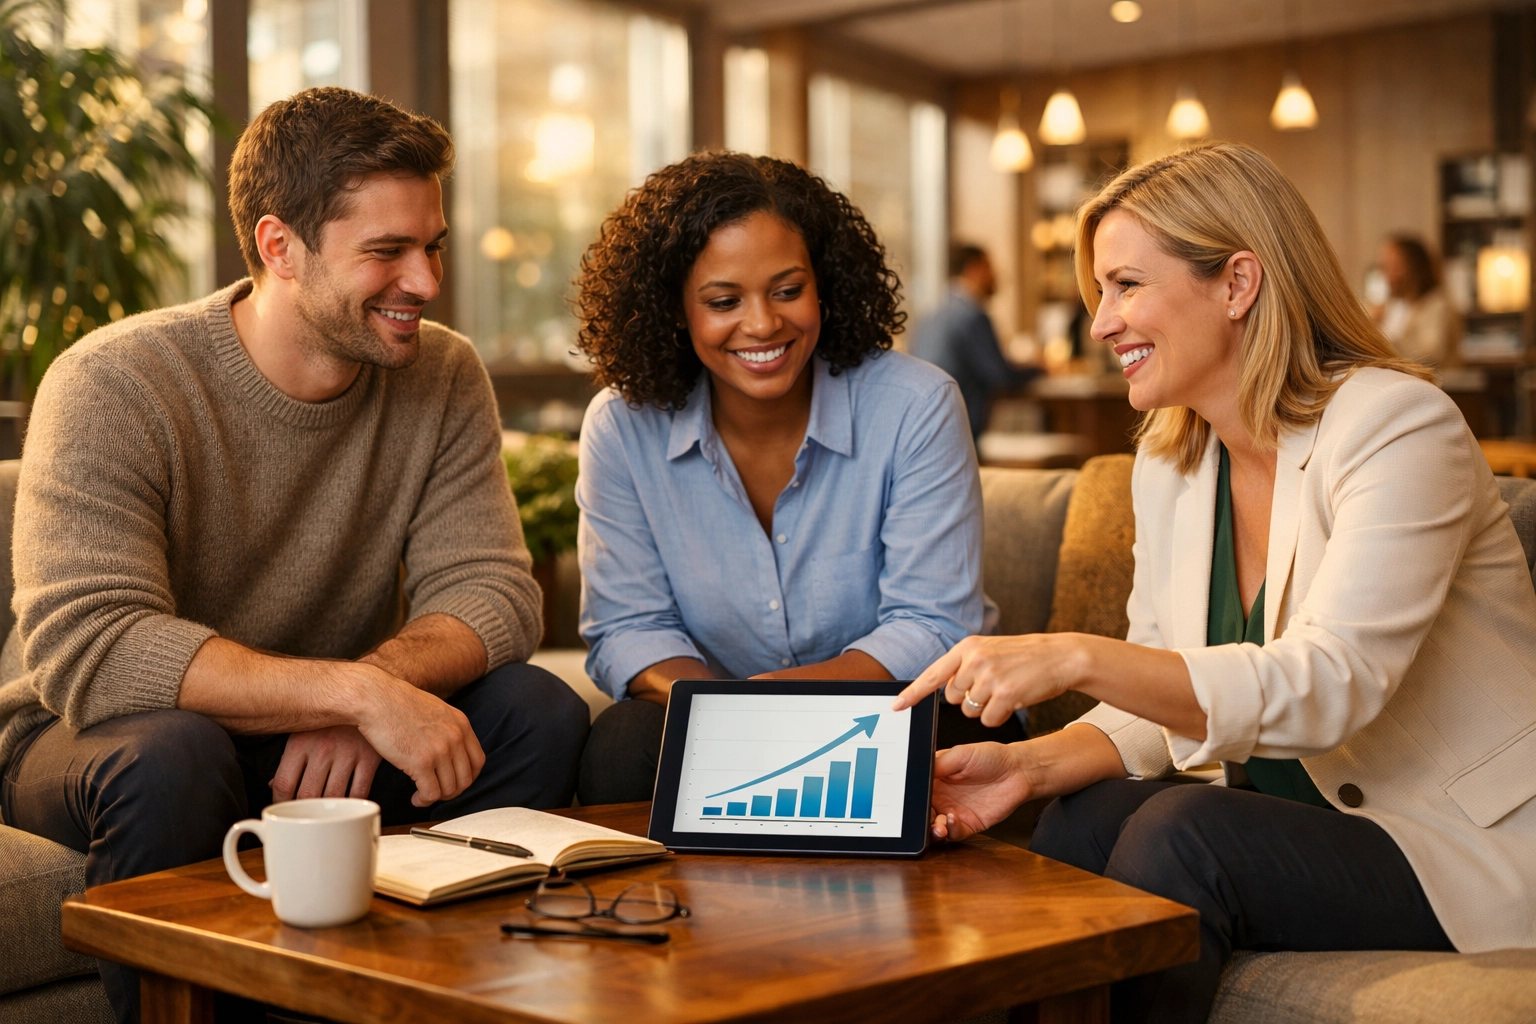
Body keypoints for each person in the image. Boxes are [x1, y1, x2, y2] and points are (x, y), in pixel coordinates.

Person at [894, 143, 1536, 1023]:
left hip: (1458, 843)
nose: (1100, 324)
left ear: (1237, 283)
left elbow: (1332, 685)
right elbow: (1159, 691)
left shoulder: (1397, 426)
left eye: (1125, 286)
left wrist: (1075, 656)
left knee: (1183, 834)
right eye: (1099, 293)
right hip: (1315, 824)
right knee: (1080, 815)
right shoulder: (1173, 464)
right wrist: (1027, 767)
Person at [0, 88, 589, 1022]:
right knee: (174, 756)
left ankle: (424, 1001)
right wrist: (354, 697)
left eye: (432, 246)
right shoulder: (114, 380)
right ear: (279, 246)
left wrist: (366, 690)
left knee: (536, 711)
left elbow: (493, 592)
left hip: (320, 733)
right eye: (387, 252)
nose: (426, 281)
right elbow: (95, 647)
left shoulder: (443, 374)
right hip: (98, 734)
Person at [573, 152, 1017, 806]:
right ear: (674, 309)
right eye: (724, 301)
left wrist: (776, 704)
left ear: (825, 286)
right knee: (624, 742)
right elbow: (629, 626)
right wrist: (726, 713)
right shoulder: (621, 426)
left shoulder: (915, 405)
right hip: (718, 710)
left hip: (902, 702)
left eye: (787, 291)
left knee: (948, 738)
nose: (762, 324)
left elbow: (930, 622)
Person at [910, 244, 1037, 442]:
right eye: (989, 267)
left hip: (924, 426)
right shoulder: (971, 316)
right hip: (959, 428)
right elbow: (1001, 377)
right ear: (974, 269)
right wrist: (1039, 369)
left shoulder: (929, 316)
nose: (996, 275)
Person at [1371, 234, 1461, 368]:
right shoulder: (1390, 307)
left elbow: (1431, 355)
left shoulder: (1437, 306)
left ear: (1414, 267)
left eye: (1393, 266)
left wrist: (1379, 342)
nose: (1385, 274)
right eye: (1383, 267)